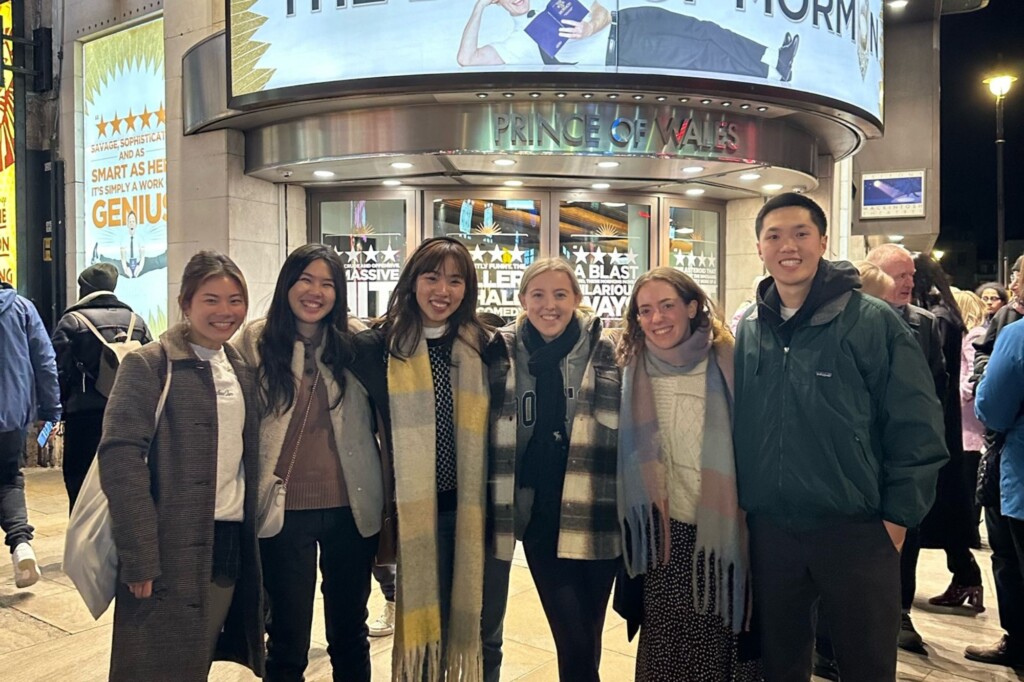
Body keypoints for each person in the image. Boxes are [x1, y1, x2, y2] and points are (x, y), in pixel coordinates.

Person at [733, 193, 947, 682]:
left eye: (801, 233)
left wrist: (897, 520)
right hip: (772, 531)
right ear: (760, 248)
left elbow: (917, 426)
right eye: (774, 235)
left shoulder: (872, 321)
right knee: (781, 666)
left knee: (866, 666)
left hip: (857, 529)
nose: (788, 246)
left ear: (823, 241)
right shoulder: (751, 327)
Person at [97, 251, 265, 681]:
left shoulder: (241, 368)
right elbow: (120, 458)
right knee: (154, 666)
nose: (224, 312)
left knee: (197, 658)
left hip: (226, 540)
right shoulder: (149, 364)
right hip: (166, 547)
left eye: (235, 300)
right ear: (185, 303)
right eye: (211, 299)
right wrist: (140, 556)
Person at [236, 244, 383, 682]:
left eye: (327, 284)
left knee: (350, 632)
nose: (315, 292)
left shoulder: (358, 343)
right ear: (288, 284)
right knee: (286, 638)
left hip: (351, 507)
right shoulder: (256, 341)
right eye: (306, 280)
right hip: (282, 511)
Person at [350, 236, 490, 681]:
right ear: (412, 282)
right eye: (432, 277)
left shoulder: (481, 346)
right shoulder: (377, 347)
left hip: (466, 510)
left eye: (455, 280)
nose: (442, 290)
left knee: (468, 622)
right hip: (409, 513)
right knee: (423, 629)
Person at [617, 267, 760, 681]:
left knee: (722, 641)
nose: (657, 318)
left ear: (692, 306)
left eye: (667, 306)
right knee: (665, 651)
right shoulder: (632, 367)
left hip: (726, 533)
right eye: (645, 310)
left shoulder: (731, 360)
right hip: (665, 534)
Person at [486, 258, 621, 682]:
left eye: (560, 294)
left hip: (599, 507)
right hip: (539, 510)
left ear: (577, 299)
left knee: (589, 632)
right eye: (538, 295)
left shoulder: (608, 347)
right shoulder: (500, 350)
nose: (550, 305)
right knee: (571, 636)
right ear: (522, 299)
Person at [864, 244, 954, 652]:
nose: (908, 283)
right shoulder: (846, 322)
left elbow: (936, 388)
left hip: (904, 455)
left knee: (907, 535)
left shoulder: (925, 324)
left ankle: (900, 614)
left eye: (911, 276)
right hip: (861, 457)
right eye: (899, 275)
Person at [906, 254, 983, 615]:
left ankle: (966, 576)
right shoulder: (946, 314)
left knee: (934, 506)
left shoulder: (931, 319)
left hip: (935, 420)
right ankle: (967, 576)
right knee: (945, 505)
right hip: (946, 419)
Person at [458, 1, 800, 82]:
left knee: (703, 28)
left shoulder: (555, 0)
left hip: (631, 20)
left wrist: (589, 27)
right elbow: (467, 59)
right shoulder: (519, 41)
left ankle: (773, 55)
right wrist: (477, 8)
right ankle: (771, 74)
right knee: (700, 54)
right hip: (625, 52)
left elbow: (601, 10)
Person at [51, 262, 153, 513]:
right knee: (122, 481)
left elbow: (56, 369)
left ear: (84, 288)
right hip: (127, 416)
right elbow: (152, 366)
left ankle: (84, 541)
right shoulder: (135, 322)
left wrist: (58, 409)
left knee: (80, 481)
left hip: (84, 416)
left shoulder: (72, 321)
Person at [964, 254, 1024, 668]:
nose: (1014, 281)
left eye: (1019, 274)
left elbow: (993, 407)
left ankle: (1018, 643)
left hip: (1019, 477)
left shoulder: (1017, 335)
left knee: (1011, 559)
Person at [0, 281, 60, 588]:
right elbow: (45, 362)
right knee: (9, 478)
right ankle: (21, 544)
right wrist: (52, 413)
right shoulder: (22, 308)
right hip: (10, 415)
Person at [952, 289, 986, 542]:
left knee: (969, 474)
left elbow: (974, 376)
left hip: (969, 421)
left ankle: (970, 530)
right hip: (966, 420)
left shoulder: (974, 335)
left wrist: (957, 394)